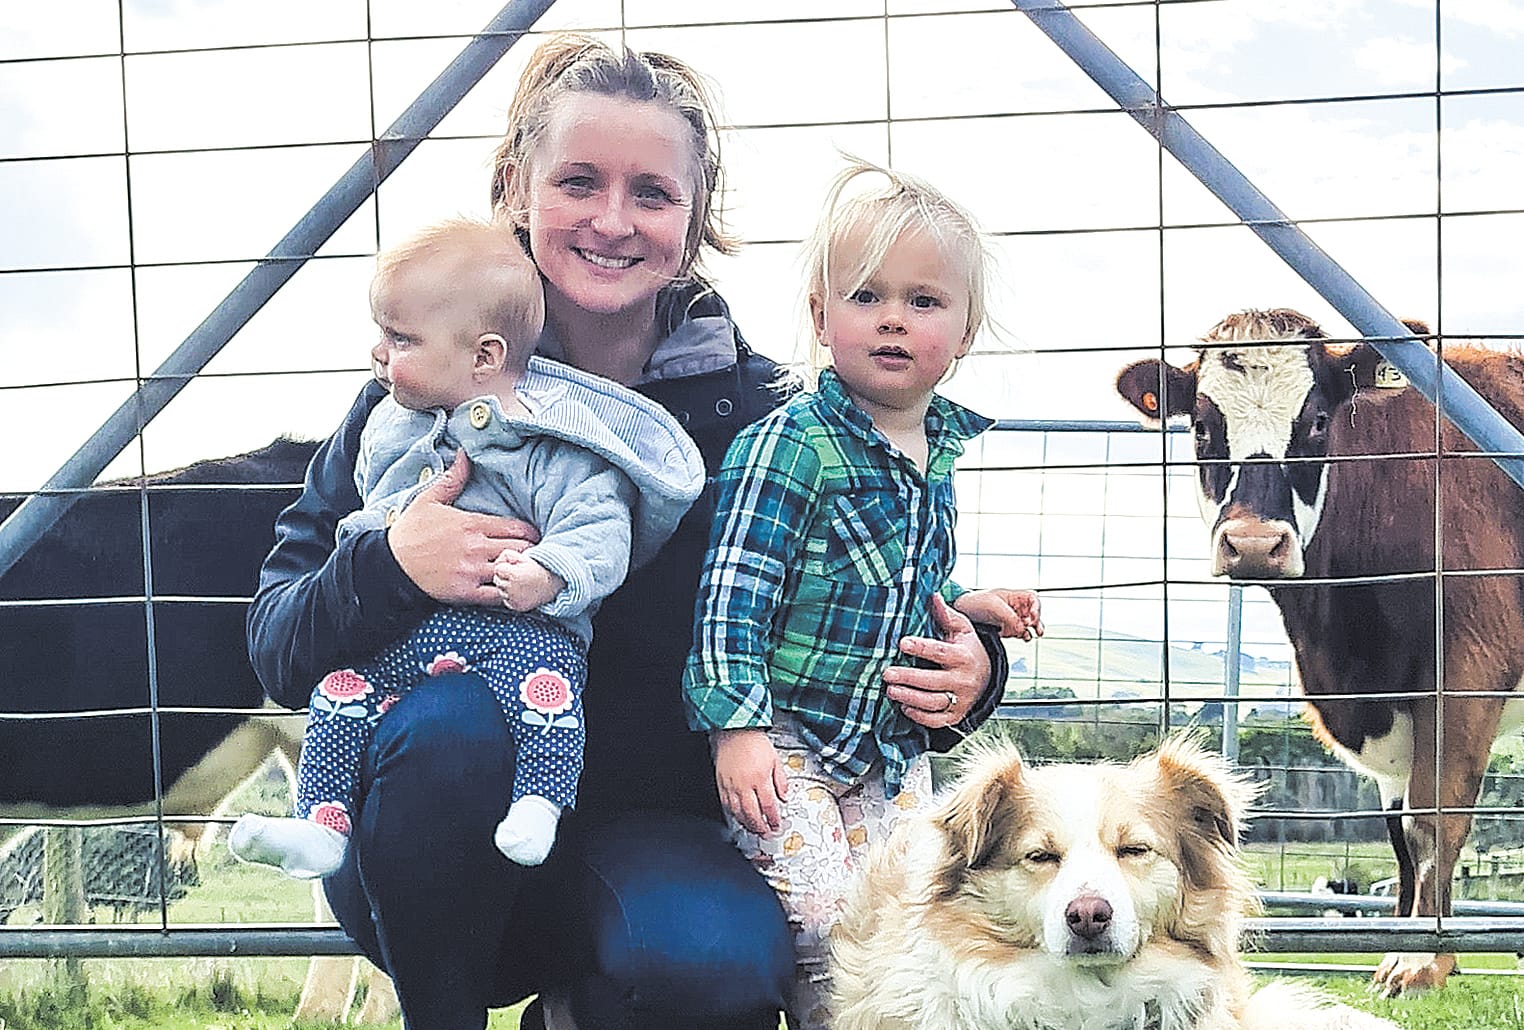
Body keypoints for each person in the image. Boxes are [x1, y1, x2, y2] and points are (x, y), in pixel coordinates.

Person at [248, 34, 1011, 1030]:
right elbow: (275, 639)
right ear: (518, 188)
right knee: (448, 734)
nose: (613, 220)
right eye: (579, 182)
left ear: (694, 222)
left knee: (712, 967)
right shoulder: (410, 400)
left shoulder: (767, 418)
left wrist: (975, 672)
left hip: (660, 836)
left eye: (652, 192)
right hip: (433, 836)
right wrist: (389, 562)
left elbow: (883, 590)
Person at [230, 218, 704, 879]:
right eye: (384, 335)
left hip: (517, 637)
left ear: (484, 357)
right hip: (408, 646)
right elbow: (342, 539)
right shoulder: (385, 424)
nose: (379, 353)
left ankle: (540, 800)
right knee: (341, 692)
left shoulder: (549, 439)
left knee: (546, 689)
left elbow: (599, 526)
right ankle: (322, 827)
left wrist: (550, 572)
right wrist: (388, 558)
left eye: (400, 340)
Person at [683, 161, 1043, 1030]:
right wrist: (735, 728)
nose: (892, 317)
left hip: (885, 748)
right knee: (823, 916)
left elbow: (895, 573)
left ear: (963, 330)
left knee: (912, 914)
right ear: (819, 315)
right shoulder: (792, 445)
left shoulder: (936, 452)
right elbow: (733, 595)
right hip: (789, 740)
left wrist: (971, 601)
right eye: (864, 295)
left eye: (924, 301)